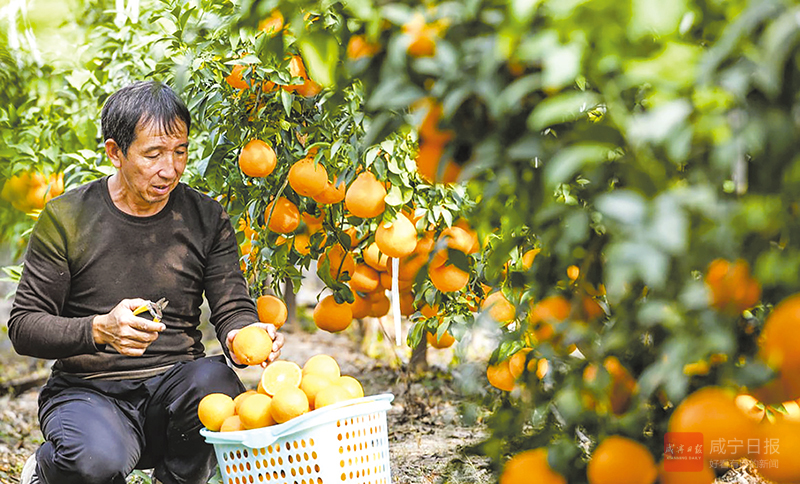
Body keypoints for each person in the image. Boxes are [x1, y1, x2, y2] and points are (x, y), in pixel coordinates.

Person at [8, 80, 284, 484]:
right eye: (153, 154)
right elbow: (24, 326)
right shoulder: (66, 218)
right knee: (95, 464)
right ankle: (49, 469)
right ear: (115, 153)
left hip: (174, 389)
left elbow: (231, 307)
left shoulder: (205, 217)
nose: (169, 168)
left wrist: (245, 334)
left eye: (180, 151)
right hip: (89, 390)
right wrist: (99, 329)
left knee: (218, 384)